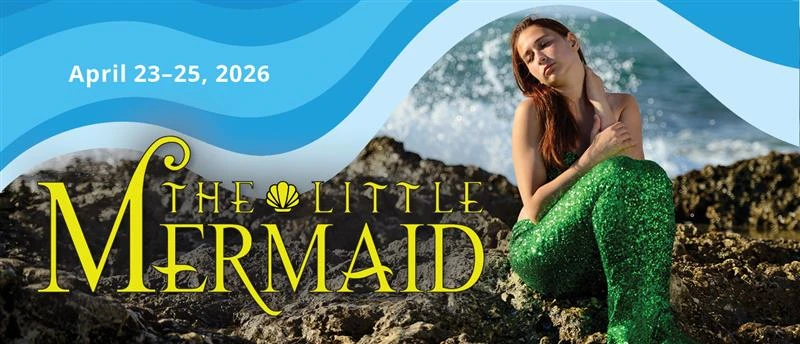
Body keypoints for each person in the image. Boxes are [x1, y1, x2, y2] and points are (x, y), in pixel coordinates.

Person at [507, 16, 695, 343]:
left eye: (544, 44)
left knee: (652, 176)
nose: (539, 58)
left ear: (572, 41)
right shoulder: (532, 113)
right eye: (529, 58)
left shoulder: (623, 105)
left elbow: (634, 187)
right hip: (543, 249)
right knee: (612, 171)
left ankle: (641, 321)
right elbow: (535, 207)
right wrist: (590, 158)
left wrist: (600, 103)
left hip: (596, 254)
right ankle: (628, 334)